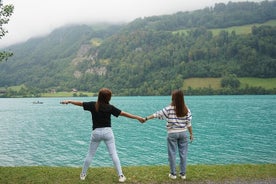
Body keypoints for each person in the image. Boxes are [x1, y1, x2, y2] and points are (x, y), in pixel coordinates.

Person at [61, 88, 145, 183]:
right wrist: (137, 117)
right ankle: (121, 176)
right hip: (107, 132)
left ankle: (83, 174)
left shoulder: (93, 105)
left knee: (90, 155)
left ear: (99, 96)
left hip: (96, 133)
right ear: (108, 98)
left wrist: (69, 101)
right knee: (113, 154)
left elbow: (80, 103)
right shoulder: (110, 107)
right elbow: (124, 114)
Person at [143, 89, 193, 180]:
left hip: (172, 133)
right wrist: (191, 134)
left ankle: (173, 174)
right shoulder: (186, 110)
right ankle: (183, 174)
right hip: (183, 133)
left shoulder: (169, 109)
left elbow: (157, 114)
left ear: (173, 98)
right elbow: (189, 124)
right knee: (183, 154)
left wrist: (146, 118)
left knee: (172, 154)